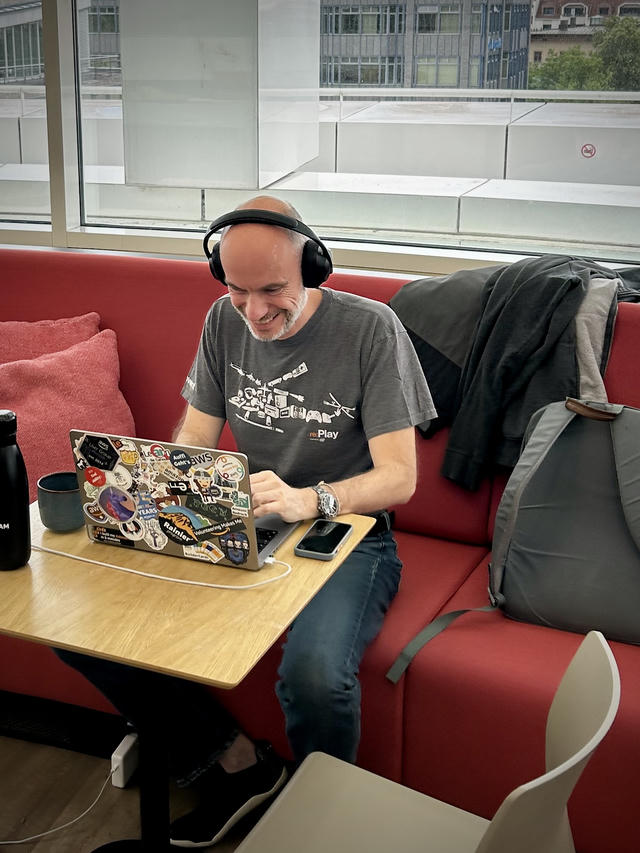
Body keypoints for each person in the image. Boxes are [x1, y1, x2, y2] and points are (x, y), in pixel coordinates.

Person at [56, 196, 435, 848]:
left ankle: (319, 823)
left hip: (343, 531)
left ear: (311, 268)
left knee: (314, 676)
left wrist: (305, 498)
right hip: (239, 518)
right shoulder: (221, 322)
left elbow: (399, 477)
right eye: (236, 291)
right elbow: (197, 434)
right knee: (85, 623)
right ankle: (236, 764)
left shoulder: (371, 329)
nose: (255, 313)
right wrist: (169, 490)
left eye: (272, 291)